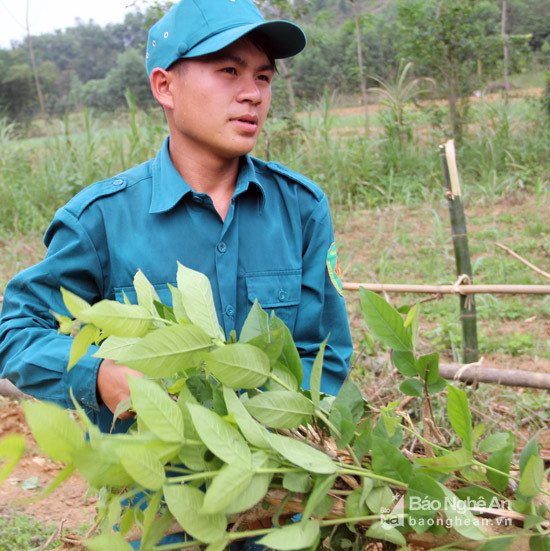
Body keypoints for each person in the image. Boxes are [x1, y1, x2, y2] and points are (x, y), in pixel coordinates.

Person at [0, 0, 353, 545]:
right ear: (165, 87)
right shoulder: (101, 221)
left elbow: (322, 352)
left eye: (263, 76)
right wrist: (99, 375)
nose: (253, 93)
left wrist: (276, 443)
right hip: (160, 514)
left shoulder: (300, 209)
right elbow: (17, 332)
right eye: (229, 70)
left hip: (281, 508)